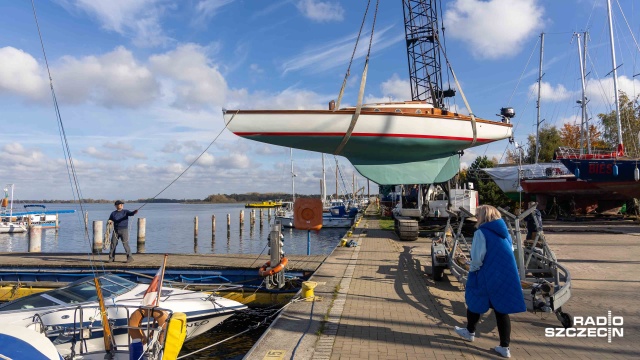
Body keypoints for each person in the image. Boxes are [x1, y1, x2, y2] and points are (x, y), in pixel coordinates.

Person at [453, 205, 526, 358]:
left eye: (478, 215)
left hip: (487, 274)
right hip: (505, 275)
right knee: (501, 310)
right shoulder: (505, 233)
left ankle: (469, 331)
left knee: (474, 300)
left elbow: (477, 257)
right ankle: (504, 347)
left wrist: (472, 271)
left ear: (484, 216)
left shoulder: (481, 233)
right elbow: (510, 251)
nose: (476, 218)